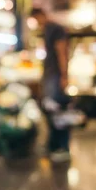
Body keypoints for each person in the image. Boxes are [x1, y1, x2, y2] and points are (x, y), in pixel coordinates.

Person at [30, 8, 71, 162]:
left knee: (57, 111)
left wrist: (64, 75)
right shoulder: (47, 29)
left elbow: (62, 52)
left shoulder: (55, 29)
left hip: (55, 76)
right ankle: (54, 145)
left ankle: (61, 147)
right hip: (50, 75)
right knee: (50, 110)